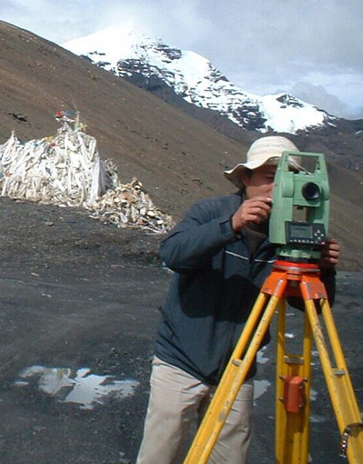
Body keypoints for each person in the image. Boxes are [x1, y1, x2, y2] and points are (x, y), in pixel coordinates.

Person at [136, 135, 341, 464]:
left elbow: (309, 306)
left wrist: (324, 271)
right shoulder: (210, 212)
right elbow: (172, 253)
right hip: (180, 361)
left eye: (288, 181)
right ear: (246, 178)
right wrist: (230, 226)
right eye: (270, 178)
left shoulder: (290, 236)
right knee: (160, 456)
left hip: (237, 368)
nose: (278, 190)